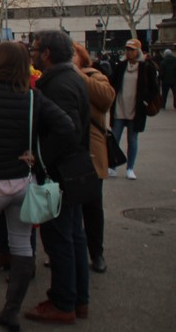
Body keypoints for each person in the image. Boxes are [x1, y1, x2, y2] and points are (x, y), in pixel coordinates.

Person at [0, 42, 75, 332]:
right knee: (22, 244)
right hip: (21, 180)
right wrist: (39, 155)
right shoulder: (32, 97)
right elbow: (66, 127)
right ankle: (11, 312)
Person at [26, 30, 92, 325]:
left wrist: (39, 157)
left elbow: (68, 131)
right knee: (74, 236)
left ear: (47, 54)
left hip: (60, 173)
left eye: (35, 49)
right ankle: (78, 300)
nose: (32, 54)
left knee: (59, 239)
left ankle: (63, 302)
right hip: (73, 169)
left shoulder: (58, 84)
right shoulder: (72, 77)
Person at [73, 42, 116, 274]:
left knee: (92, 206)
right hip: (69, 149)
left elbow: (106, 99)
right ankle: (69, 250)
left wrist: (77, 74)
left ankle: (96, 252)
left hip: (91, 148)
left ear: (81, 57)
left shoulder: (94, 76)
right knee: (68, 207)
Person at [109, 38, 160, 180]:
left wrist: (144, 101)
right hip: (120, 107)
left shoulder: (146, 67)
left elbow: (154, 88)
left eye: (132, 50)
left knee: (132, 140)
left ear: (138, 51)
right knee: (114, 139)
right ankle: (112, 166)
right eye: (127, 49)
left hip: (136, 109)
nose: (129, 52)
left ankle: (130, 168)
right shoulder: (121, 66)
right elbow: (112, 82)